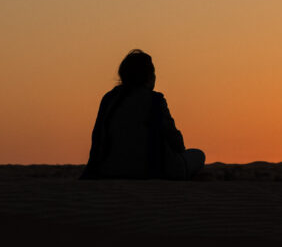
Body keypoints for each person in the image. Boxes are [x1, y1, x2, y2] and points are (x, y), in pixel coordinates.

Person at [82, 50, 205, 180]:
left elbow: (97, 138)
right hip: (151, 171)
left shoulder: (109, 99)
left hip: (110, 170)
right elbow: (174, 140)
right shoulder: (155, 100)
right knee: (198, 155)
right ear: (148, 76)